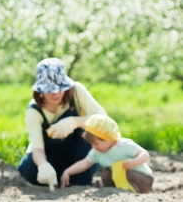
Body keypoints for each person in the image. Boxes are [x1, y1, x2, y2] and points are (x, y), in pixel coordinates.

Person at [17, 58, 107, 188]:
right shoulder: (34, 110)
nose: (55, 94)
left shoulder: (76, 92)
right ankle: (55, 179)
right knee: (27, 167)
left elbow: (103, 120)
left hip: (79, 154)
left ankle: (80, 183)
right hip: (51, 156)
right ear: (40, 90)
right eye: (49, 90)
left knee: (89, 140)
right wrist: (43, 165)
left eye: (59, 88)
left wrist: (74, 122)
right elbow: (37, 148)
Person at [60, 114, 153, 193]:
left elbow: (145, 155)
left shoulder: (124, 145)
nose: (93, 147)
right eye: (91, 144)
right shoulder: (98, 152)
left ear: (109, 138)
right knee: (107, 174)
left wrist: (133, 162)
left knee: (125, 172)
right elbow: (85, 163)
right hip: (119, 180)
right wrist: (67, 172)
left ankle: (134, 192)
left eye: (96, 143)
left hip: (141, 180)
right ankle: (114, 191)